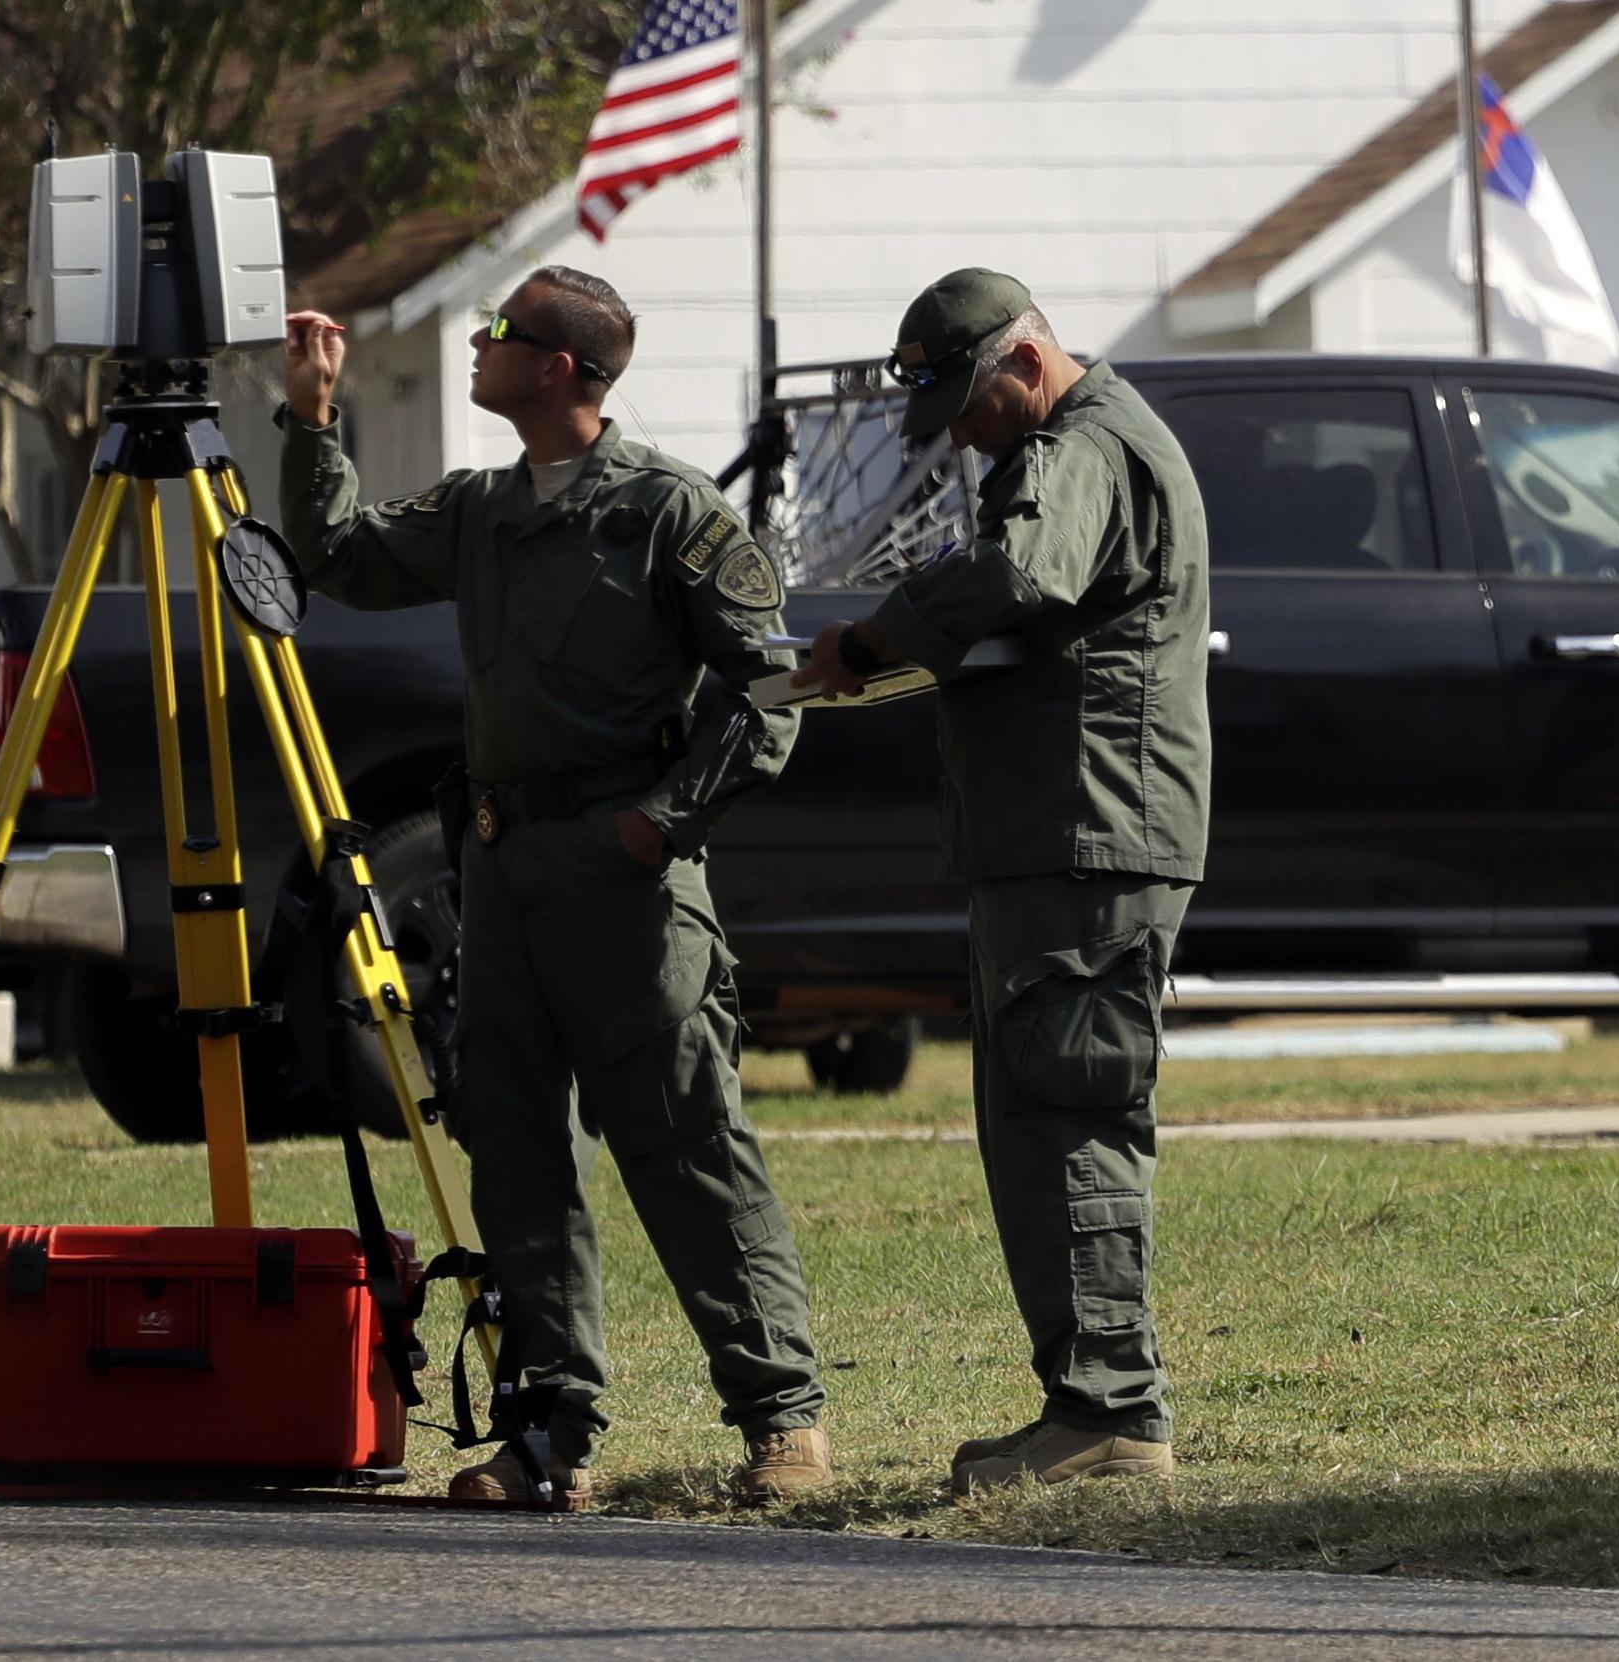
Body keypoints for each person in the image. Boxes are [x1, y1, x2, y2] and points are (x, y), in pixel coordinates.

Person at [280, 268, 830, 1512]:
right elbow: (340, 553)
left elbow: (769, 687)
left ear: (561, 369)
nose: (478, 345)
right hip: (501, 873)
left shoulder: (667, 512)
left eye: (501, 331)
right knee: (518, 1151)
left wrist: (660, 822)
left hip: (626, 884)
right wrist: (312, 418)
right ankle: (549, 1433)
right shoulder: (481, 509)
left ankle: (782, 1418)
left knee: (685, 1143)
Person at [795, 269, 1211, 1494]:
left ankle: (1111, 1410)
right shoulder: (1074, 440)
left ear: (1027, 362)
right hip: (1061, 834)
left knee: (1067, 1117)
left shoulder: (1081, 448)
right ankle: (1087, 1400)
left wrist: (873, 638)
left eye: (972, 410)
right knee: (1039, 1119)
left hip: (1088, 835)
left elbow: (1019, 570)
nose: (967, 441)